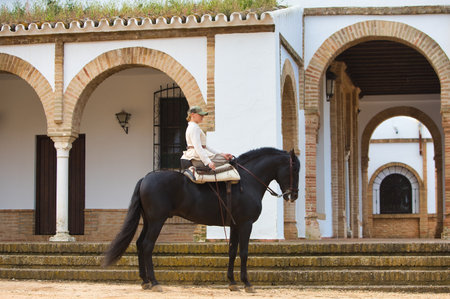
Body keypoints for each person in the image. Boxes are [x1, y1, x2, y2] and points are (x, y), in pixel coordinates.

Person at [180, 106, 233, 171]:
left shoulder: (193, 126)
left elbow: (204, 146)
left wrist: (221, 153)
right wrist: (208, 162)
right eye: (200, 115)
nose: (202, 117)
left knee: (225, 157)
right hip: (196, 157)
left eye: (203, 115)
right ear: (192, 115)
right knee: (228, 159)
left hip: (195, 155)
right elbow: (198, 147)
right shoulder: (194, 127)